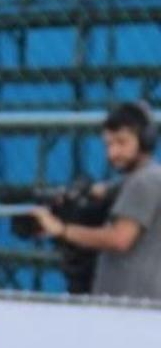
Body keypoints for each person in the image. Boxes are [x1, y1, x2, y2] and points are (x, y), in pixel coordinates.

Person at [32, 100, 161, 301]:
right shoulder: (135, 180)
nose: (113, 153)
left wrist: (62, 229)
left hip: (132, 305)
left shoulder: (144, 182)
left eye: (121, 142)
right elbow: (102, 190)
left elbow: (119, 239)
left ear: (145, 140)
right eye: (108, 144)